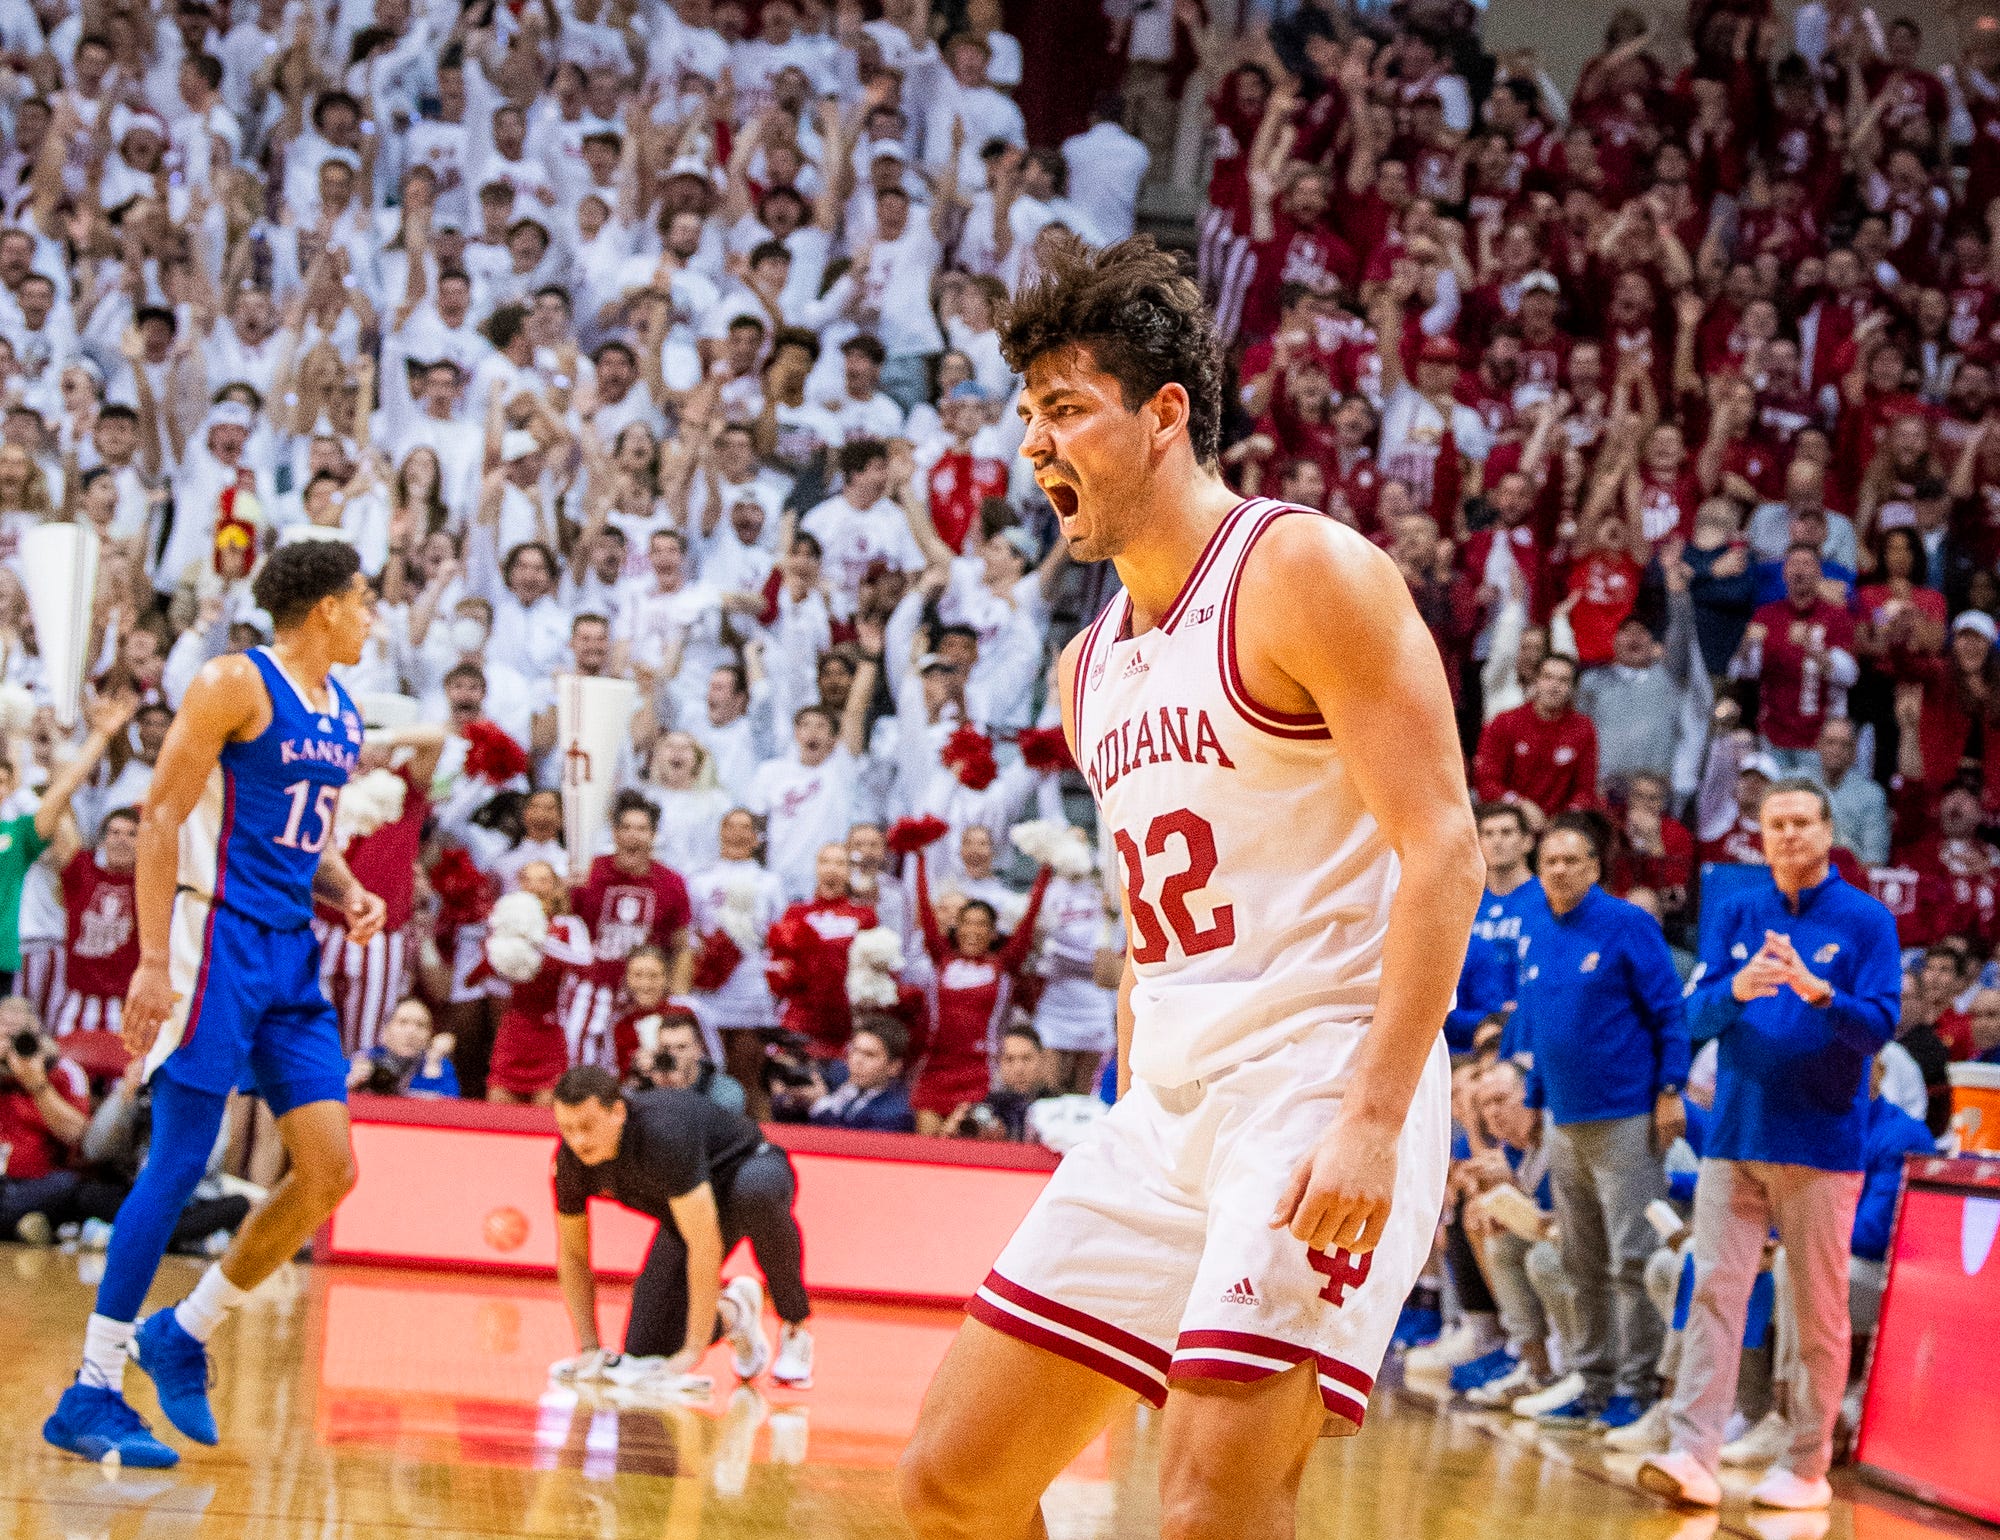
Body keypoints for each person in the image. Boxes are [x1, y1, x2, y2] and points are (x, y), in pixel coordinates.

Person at [898, 237, 1480, 1540]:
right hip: (1165, 1110)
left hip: (1318, 1086)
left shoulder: (1304, 571)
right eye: (1026, 415)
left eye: (1067, 408)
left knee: (1212, 1498)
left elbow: (1447, 849)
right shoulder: (1086, 667)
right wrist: (1128, 1081)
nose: (1035, 444)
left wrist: (1375, 1122)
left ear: (1165, 416)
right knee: (950, 1483)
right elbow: (1147, 929)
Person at [45, 541, 387, 1469]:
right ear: (323, 608)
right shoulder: (235, 681)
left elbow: (296, 838)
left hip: (288, 951)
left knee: (328, 1169)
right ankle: (92, 1388)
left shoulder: (343, 712)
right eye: (363, 601)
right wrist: (154, 959)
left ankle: (184, 1332)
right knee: (183, 1157)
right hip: (212, 939)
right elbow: (161, 815)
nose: (371, 617)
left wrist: (345, 888)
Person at [1640, 779, 1901, 1512]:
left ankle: (1807, 1465)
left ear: (1827, 832)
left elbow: (1879, 1026)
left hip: (1821, 1140)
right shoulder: (1736, 911)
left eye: (1800, 822)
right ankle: (1695, 1454)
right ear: (1760, 835)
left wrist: (1820, 994)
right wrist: (1740, 991)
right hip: (1736, 1134)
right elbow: (1692, 1017)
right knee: (1714, 1294)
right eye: (1774, 824)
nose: (1786, 835)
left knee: (1816, 1310)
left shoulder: (1866, 921)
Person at [1507, 814, 1689, 1430]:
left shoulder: (1627, 924)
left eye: (1571, 860)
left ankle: (1636, 1390)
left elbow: (1668, 1012)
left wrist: (1669, 1090)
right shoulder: (1535, 928)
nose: (1559, 870)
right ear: (1539, 871)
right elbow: (1539, 1027)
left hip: (1625, 1116)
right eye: (1549, 861)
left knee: (1631, 1258)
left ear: (1594, 867)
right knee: (1579, 1259)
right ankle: (1590, 1379)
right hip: (1562, 1119)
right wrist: (1533, 1099)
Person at [547, 1065, 814, 1391]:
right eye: (567, 1128)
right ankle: (735, 1314)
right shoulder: (571, 1161)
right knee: (647, 1347)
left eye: (587, 1127)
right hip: (688, 1210)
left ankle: (795, 1326)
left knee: (756, 1192)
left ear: (617, 1112)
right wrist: (589, 1349)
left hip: (747, 1169)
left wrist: (691, 1353)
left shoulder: (662, 1135)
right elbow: (573, 1256)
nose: (577, 1140)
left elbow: (704, 1246)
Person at [0, 1000, 118, 1244]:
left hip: (40, 1182)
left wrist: (37, 1086)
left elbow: (80, 1138)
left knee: (75, 1188)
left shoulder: (63, 1071)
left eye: (17, 1036)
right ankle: (23, 1225)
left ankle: (24, 1224)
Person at [804, 1014, 918, 1133]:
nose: (857, 1061)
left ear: (894, 1066)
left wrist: (820, 1105)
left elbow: (849, 1144)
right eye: (854, 1051)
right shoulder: (842, 1079)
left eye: (869, 1055)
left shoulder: (896, 1113)